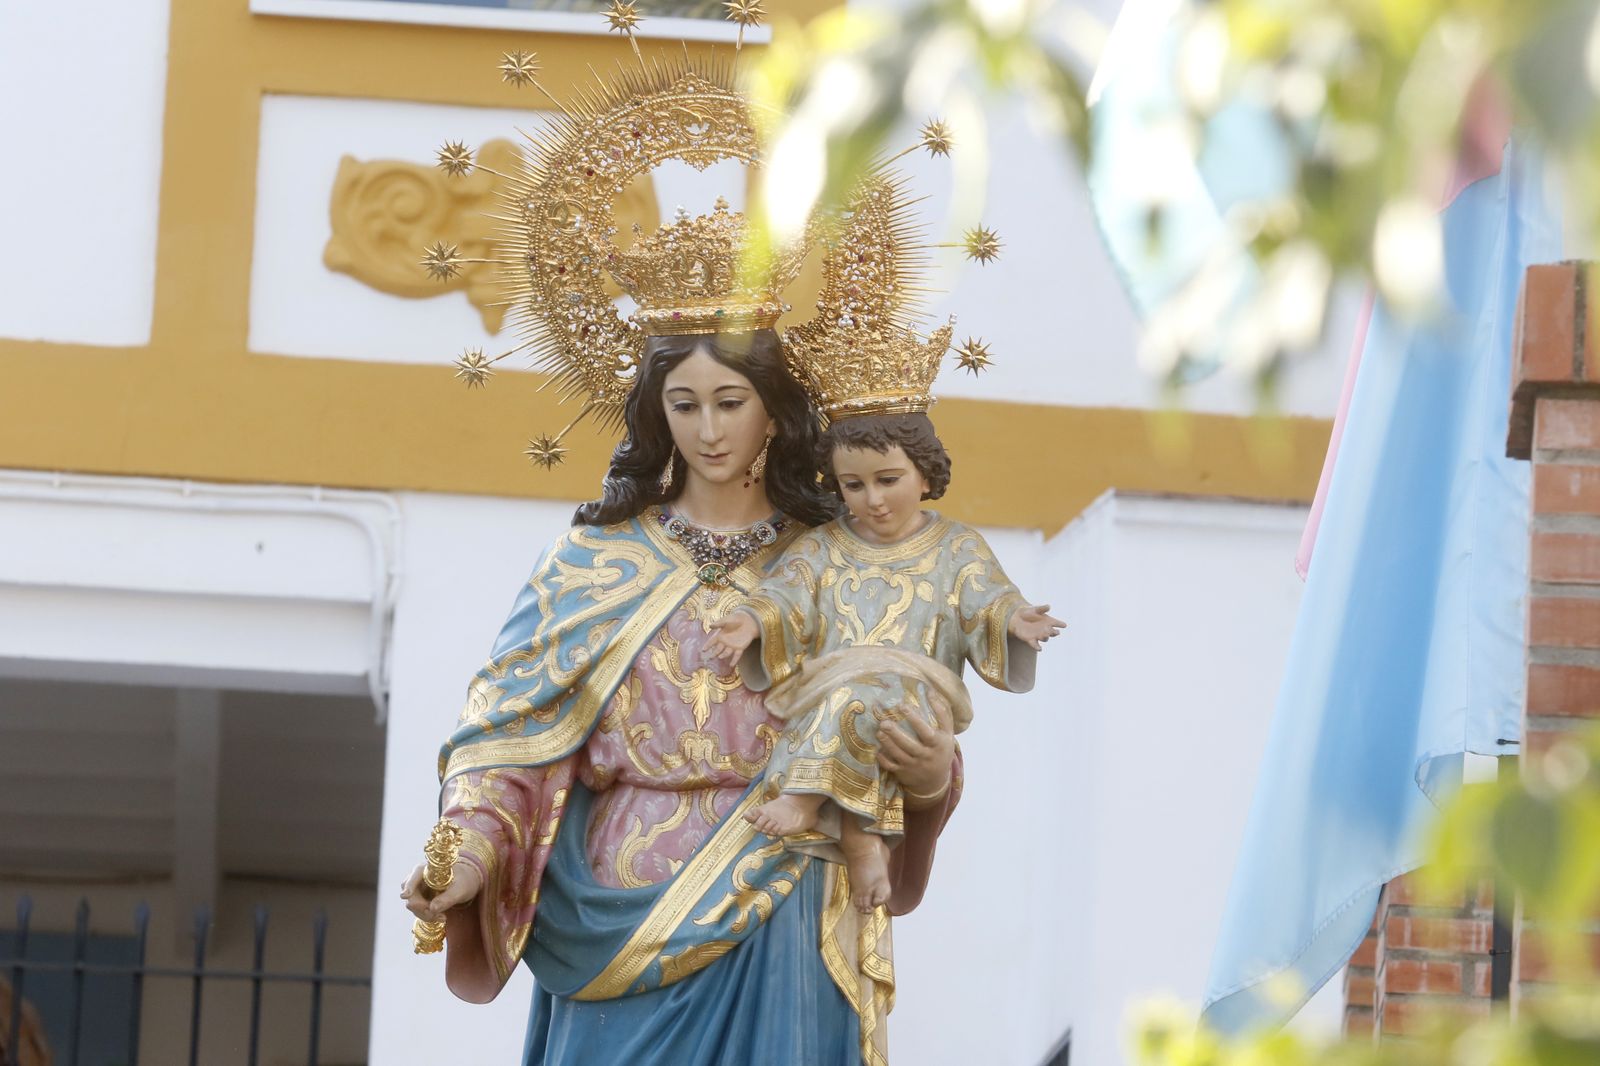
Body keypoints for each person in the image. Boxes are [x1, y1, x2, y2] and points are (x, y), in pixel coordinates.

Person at [401, 330, 964, 1066]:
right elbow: (508, 735)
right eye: (684, 404)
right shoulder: (591, 562)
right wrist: (469, 854)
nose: (708, 430)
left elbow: (894, 710)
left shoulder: (837, 560)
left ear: (774, 412)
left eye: (731, 403)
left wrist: (929, 781)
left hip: (785, 881)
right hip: (619, 904)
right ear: (655, 413)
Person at [706, 411, 1063, 913]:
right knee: (851, 699)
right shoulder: (823, 546)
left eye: (888, 480)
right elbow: (785, 594)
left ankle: (807, 803)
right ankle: (861, 839)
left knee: (869, 704)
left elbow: (986, 600)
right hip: (831, 683)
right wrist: (752, 621)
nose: (872, 499)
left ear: (925, 474)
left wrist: (1014, 621)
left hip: (917, 686)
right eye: (853, 485)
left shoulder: (956, 547)